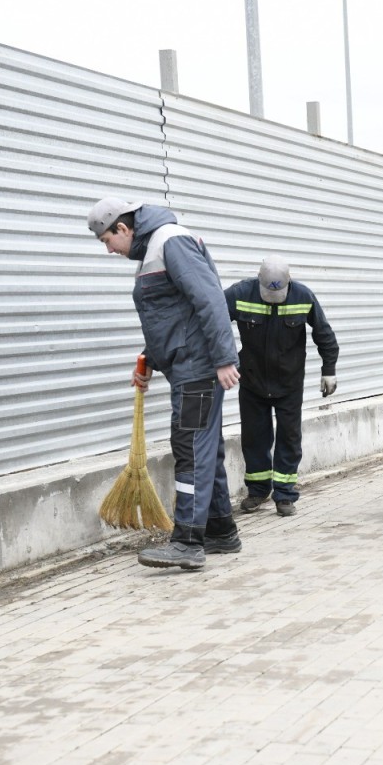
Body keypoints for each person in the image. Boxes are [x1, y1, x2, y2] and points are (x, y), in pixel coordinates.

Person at [87, 198, 241, 571]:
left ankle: (188, 542)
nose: (109, 250)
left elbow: (209, 300)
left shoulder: (169, 241)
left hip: (199, 370)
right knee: (205, 448)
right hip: (189, 366)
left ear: (123, 229)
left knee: (189, 446)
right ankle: (220, 530)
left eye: (107, 240)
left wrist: (223, 358)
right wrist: (149, 361)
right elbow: (172, 319)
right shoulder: (154, 250)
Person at [224, 257, 340, 517]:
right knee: (254, 437)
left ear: (289, 282)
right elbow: (213, 324)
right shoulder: (239, 294)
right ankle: (257, 490)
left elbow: (324, 335)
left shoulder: (303, 296)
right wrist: (224, 360)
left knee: (289, 437)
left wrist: (329, 370)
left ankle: (285, 495)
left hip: (289, 382)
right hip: (252, 381)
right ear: (259, 280)